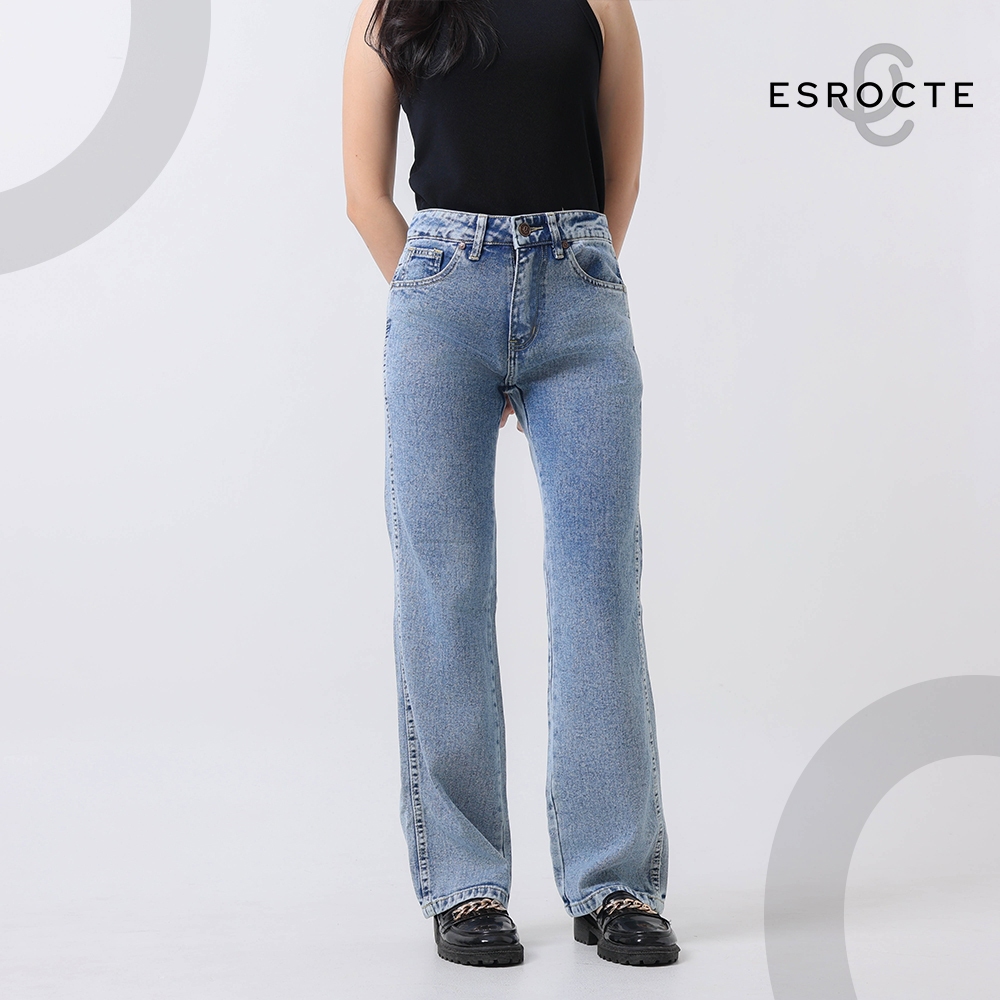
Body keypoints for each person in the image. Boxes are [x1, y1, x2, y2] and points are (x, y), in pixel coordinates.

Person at [343, 0, 678, 968]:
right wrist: (445, 303)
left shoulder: (602, 4)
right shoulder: (390, 8)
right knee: (444, 589)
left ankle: (614, 882)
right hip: (439, 298)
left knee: (598, 585)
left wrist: (564, 289)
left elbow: (620, 177)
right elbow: (364, 195)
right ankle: (466, 885)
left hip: (579, 296)